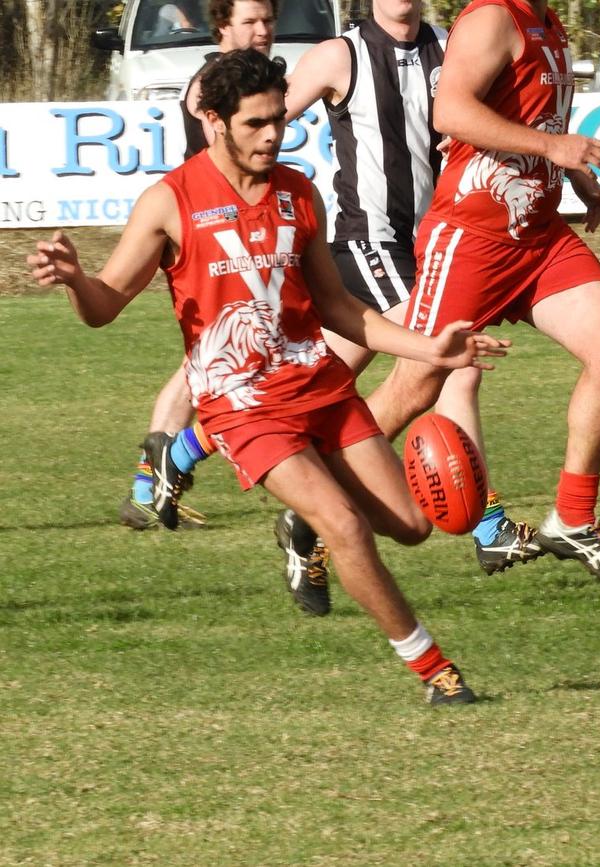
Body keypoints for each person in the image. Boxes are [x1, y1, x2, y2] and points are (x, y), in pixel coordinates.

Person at [28, 49, 509, 707]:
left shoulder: (297, 191)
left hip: (322, 388)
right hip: (244, 408)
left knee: (412, 525)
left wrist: (432, 349)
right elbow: (106, 304)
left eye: (278, 120)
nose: (273, 134)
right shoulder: (169, 202)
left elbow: (340, 308)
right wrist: (77, 279)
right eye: (255, 123)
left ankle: (303, 522)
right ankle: (437, 673)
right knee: (346, 524)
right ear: (214, 122)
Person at [158, 0, 543, 617]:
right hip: (370, 242)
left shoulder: (452, 43)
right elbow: (260, 118)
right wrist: (209, 199)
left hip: (433, 238)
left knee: (297, 377)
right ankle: (487, 526)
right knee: (452, 365)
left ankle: (199, 461)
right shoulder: (343, 53)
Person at [404, 0, 600, 585]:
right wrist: (554, 150)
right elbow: (450, 110)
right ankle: (319, 497)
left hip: (537, 237)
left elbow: (535, 121)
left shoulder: (547, 19)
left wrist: (576, 172)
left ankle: (572, 518)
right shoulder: (492, 16)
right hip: (471, 235)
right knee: (415, 385)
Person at [119, 0, 277, 531]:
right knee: (213, 365)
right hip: (210, 240)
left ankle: (150, 487)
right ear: (222, 26)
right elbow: (200, 113)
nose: (262, 30)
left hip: (237, 237)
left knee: (200, 368)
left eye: (268, 20)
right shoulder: (213, 82)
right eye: (250, 21)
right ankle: (151, 484)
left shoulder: (254, 80)